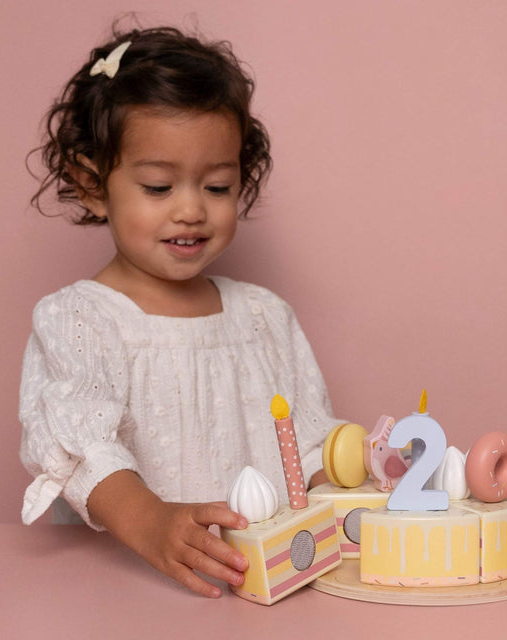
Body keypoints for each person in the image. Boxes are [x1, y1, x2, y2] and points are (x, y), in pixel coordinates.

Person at [20, 24, 341, 599]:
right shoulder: (81, 321)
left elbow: (310, 444)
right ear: (92, 185)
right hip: (125, 589)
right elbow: (81, 450)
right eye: (158, 186)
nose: (191, 209)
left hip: (268, 588)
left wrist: (351, 483)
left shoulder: (263, 317)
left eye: (216, 187)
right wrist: (152, 522)